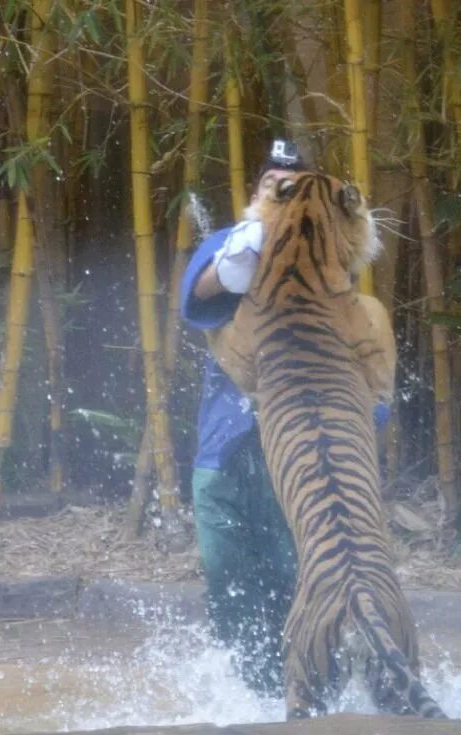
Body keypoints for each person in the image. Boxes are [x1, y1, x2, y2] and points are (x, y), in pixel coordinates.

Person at [179, 139, 307, 696]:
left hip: (291, 457)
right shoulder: (228, 246)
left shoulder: (321, 272)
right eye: (270, 184)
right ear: (255, 191)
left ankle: (295, 689)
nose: (279, 194)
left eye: (293, 188)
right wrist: (252, 238)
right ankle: (242, 696)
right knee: (227, 579)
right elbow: (200, 296)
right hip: (223, 454)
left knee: (290, 579)